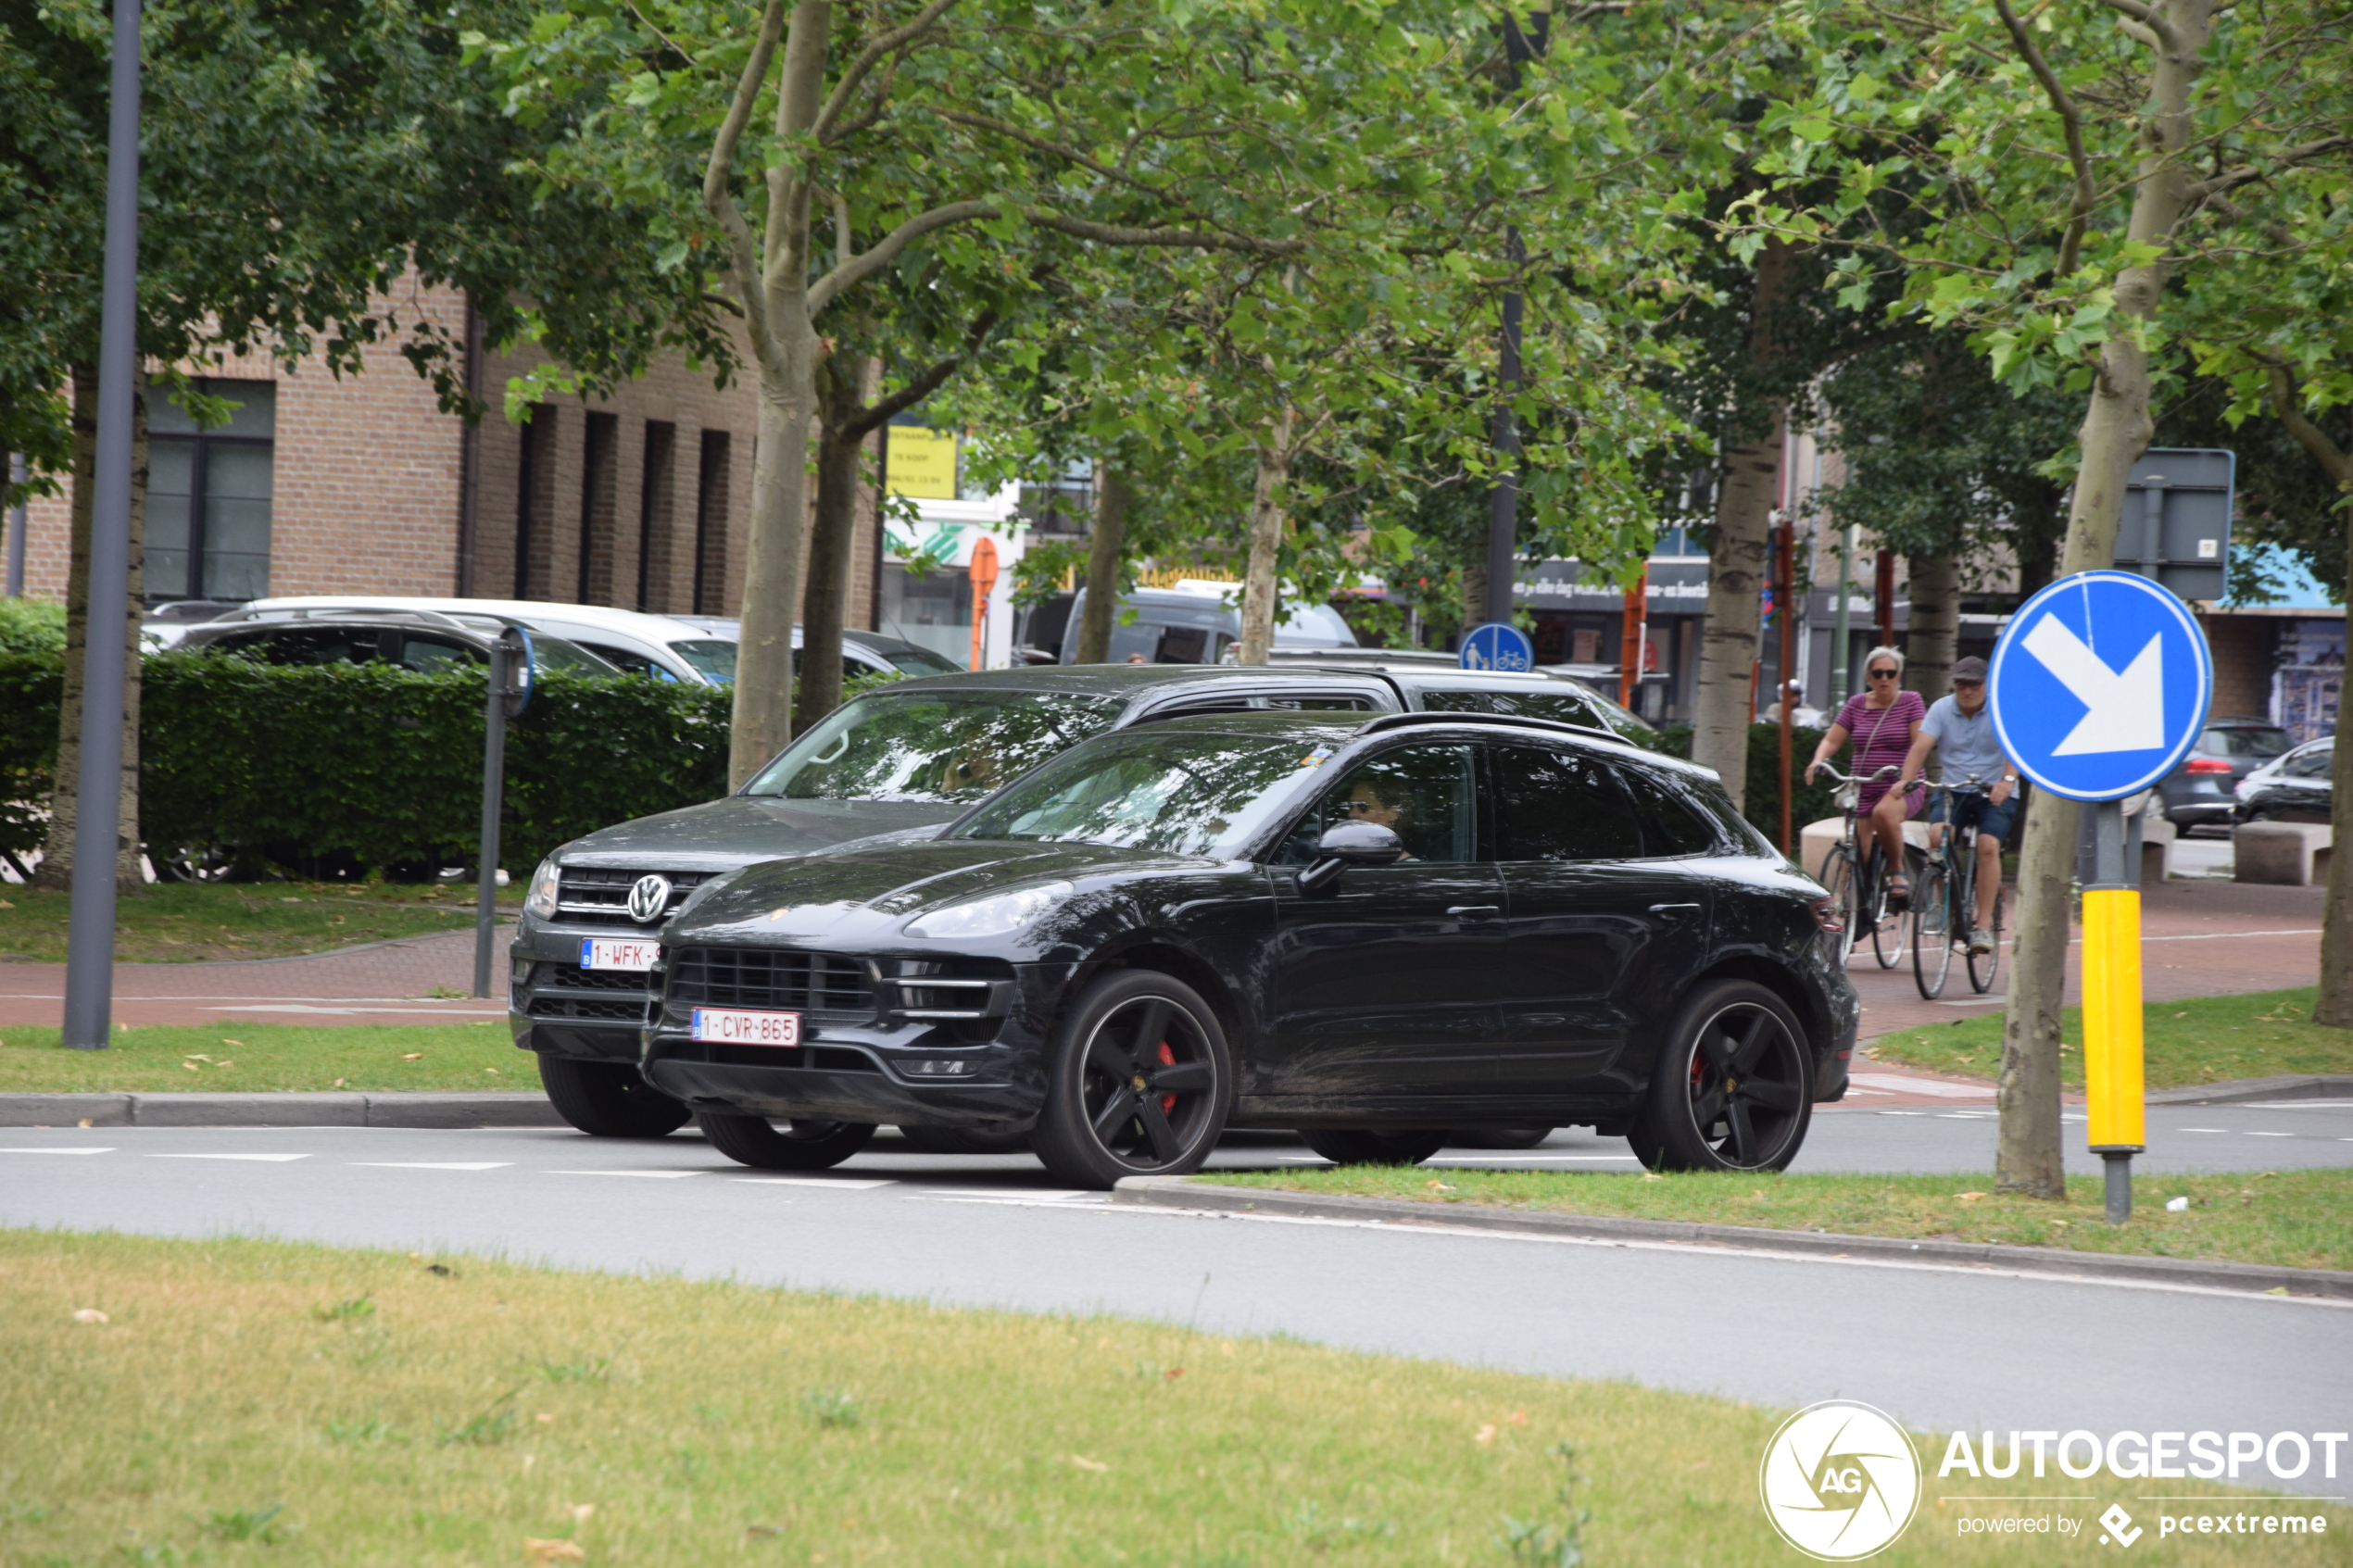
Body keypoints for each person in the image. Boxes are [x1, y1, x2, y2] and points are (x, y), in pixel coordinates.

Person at [1895, 655, 2018, 955]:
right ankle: (1940, 897)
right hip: (1955, 788)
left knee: (1988, 846)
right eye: (1961, 684)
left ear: (1985, 684)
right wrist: (1905, 780)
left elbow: (2014, 750)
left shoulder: (2001, 708)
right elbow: (1921, 746)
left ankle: (1983, 926)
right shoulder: (1941, 708)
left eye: (1973, 685)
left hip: (1994, 791)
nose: (1966, 691)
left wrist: (2007, 781)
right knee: (1938, 835)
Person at [1805, 646, 1926, 908]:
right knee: (1857, 847)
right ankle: (1846, 903)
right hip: (1862, 785)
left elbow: (1919, 744)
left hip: (1901, 784)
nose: (1884, 678)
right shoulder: (1856, 704)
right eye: (1878, 673)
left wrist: (1905, 779)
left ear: (1899, 676)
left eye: (1890, 673)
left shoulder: (1911, 701)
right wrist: (1818, 760)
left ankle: (1897, 871)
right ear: (1868, 677)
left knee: (1884, 814)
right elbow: (1832, 739)